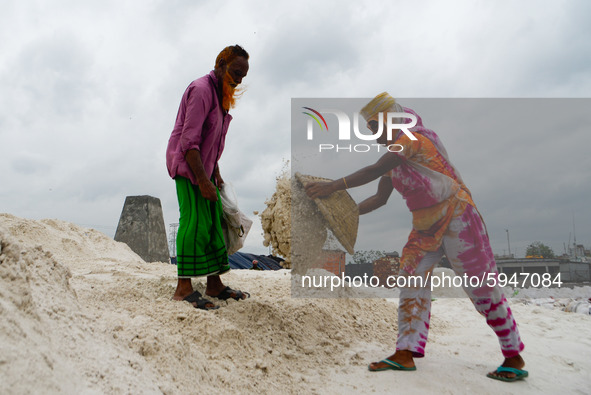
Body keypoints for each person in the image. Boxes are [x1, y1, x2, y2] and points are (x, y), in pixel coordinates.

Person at [305, 93, 527, 382]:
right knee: (410, 279)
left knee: (480, 286)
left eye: (374, 127)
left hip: (457, 215)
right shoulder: (397, 157)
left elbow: (374, 170)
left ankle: (513, 355)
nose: (373, 136)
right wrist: (340, 216)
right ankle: (405, 353)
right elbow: (379, 199)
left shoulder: (411, 139)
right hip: (425, 226)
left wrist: (332, 187)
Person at [166, 45, 251, 310]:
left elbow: (211, 142)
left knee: (215, 224)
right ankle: (183, 288)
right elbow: (189, 141)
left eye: (243, 76)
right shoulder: (202, 90)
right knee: (194, 223)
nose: (238, 80)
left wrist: (215, 173)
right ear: (221, 64)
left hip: (205, 168)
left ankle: (214, 285)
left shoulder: (220, 96)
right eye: (236, 72)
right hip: (188, 167)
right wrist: (202, 181)